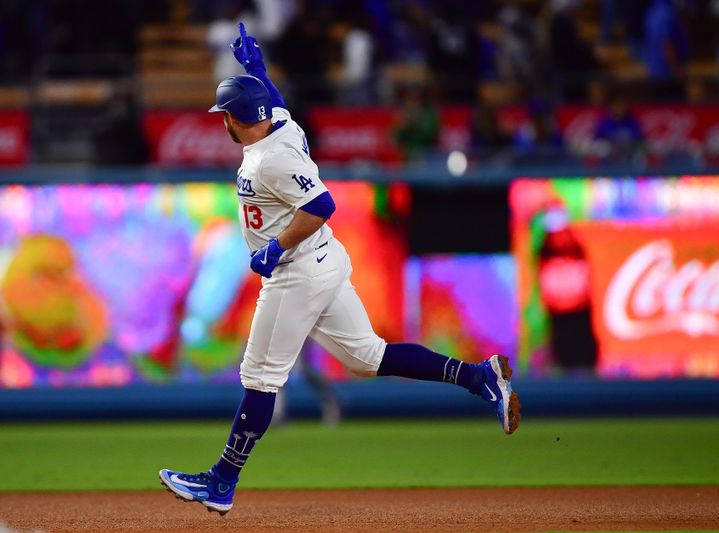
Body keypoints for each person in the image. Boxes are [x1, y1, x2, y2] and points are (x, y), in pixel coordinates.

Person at [158, 22, 521, 515]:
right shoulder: (284, 128)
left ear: (234, 119)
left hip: (296, 272)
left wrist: (274, 249)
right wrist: (257, 70)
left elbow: (321, 203)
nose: (221, 120)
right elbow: (278, 107)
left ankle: (221, 481)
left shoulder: (266, 161)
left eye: (224, 113)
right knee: (368, 357)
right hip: (327, 262)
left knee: (260, 377)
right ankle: (478, 378)